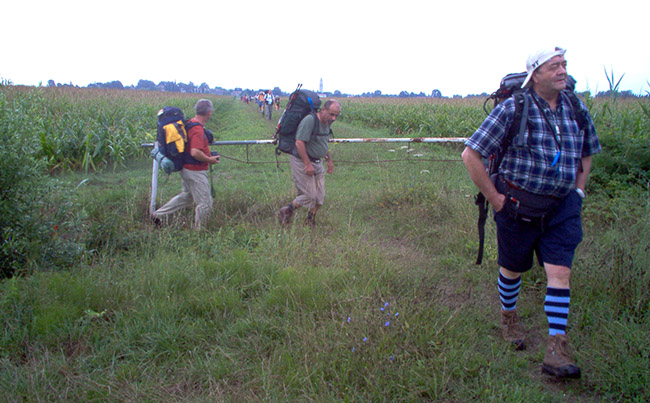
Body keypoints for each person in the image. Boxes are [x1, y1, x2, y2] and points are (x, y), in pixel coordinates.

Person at [461, 47, 601, 379]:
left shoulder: (576, 108)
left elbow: (587, 152)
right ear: (535, 74)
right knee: (512, 269)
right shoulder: (513, 109)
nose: (562, 71)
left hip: (562, 208)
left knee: (560, 274)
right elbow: (471, 155)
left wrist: (579, 191)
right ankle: (508, 319)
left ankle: (556, 347)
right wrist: (496, 200)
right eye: (555, 66)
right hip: (517, 206)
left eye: (564, 65)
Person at [152, 99, 220, 229]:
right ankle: (199, 232)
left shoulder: (189, 124)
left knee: (187, 197)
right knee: (205, 203)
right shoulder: (197, 129)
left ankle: (158, 215)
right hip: (195, 171)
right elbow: (195, 152)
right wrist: (210, 160)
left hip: (186, 169)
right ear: (209, 113)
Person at [278, 99, 341, 227]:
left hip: (317, 162)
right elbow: (299, 142)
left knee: (320, 197)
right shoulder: (310, 120)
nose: (333, 118)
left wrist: (329, 160)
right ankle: (287, 210)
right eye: (331, 114)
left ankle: (310, 220)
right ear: (323, 110)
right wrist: (307, 164)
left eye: (336, 115)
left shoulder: (327, 123)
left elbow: (323, 143)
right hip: (302, 161)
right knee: (309, 195)